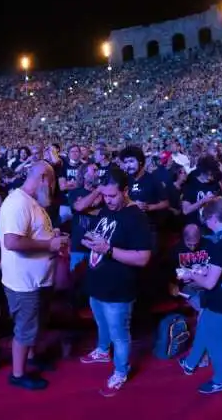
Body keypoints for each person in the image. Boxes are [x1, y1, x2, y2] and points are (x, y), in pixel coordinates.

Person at [78, 167, 152, 395]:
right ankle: (102, 350)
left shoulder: (136, 217)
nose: (108, 201)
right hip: (98, 283)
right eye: (105, 195)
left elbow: (143, 258)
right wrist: (91, 241)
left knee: (119, 334)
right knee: (102, 324)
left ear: (125, 191)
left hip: (119, 288)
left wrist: (108, 249)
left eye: (113, 196)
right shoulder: (106, 210)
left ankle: (121, 370)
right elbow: (99, 232)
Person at [0, 161, 68, 390]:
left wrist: (53, 235)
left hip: (38, 280)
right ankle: (18, 374)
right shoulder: (18, 203)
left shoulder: (31, 201)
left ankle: (31, 358)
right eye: (53, 183)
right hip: (24, 283)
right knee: (25, 328)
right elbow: (12, 241)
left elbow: (32, 233)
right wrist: (50, 244)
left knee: (35, 324)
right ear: (44, 179)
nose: (53, 189)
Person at [178, 197, 222, 395]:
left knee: (214, 341)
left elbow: (209, 283)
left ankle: (220, 380)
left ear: (214, 219)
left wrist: (191, 273)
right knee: (203, 324)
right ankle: (190, 363)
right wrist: (206, 269)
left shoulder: (220, 246)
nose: (206, 225)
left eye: (207, 221)